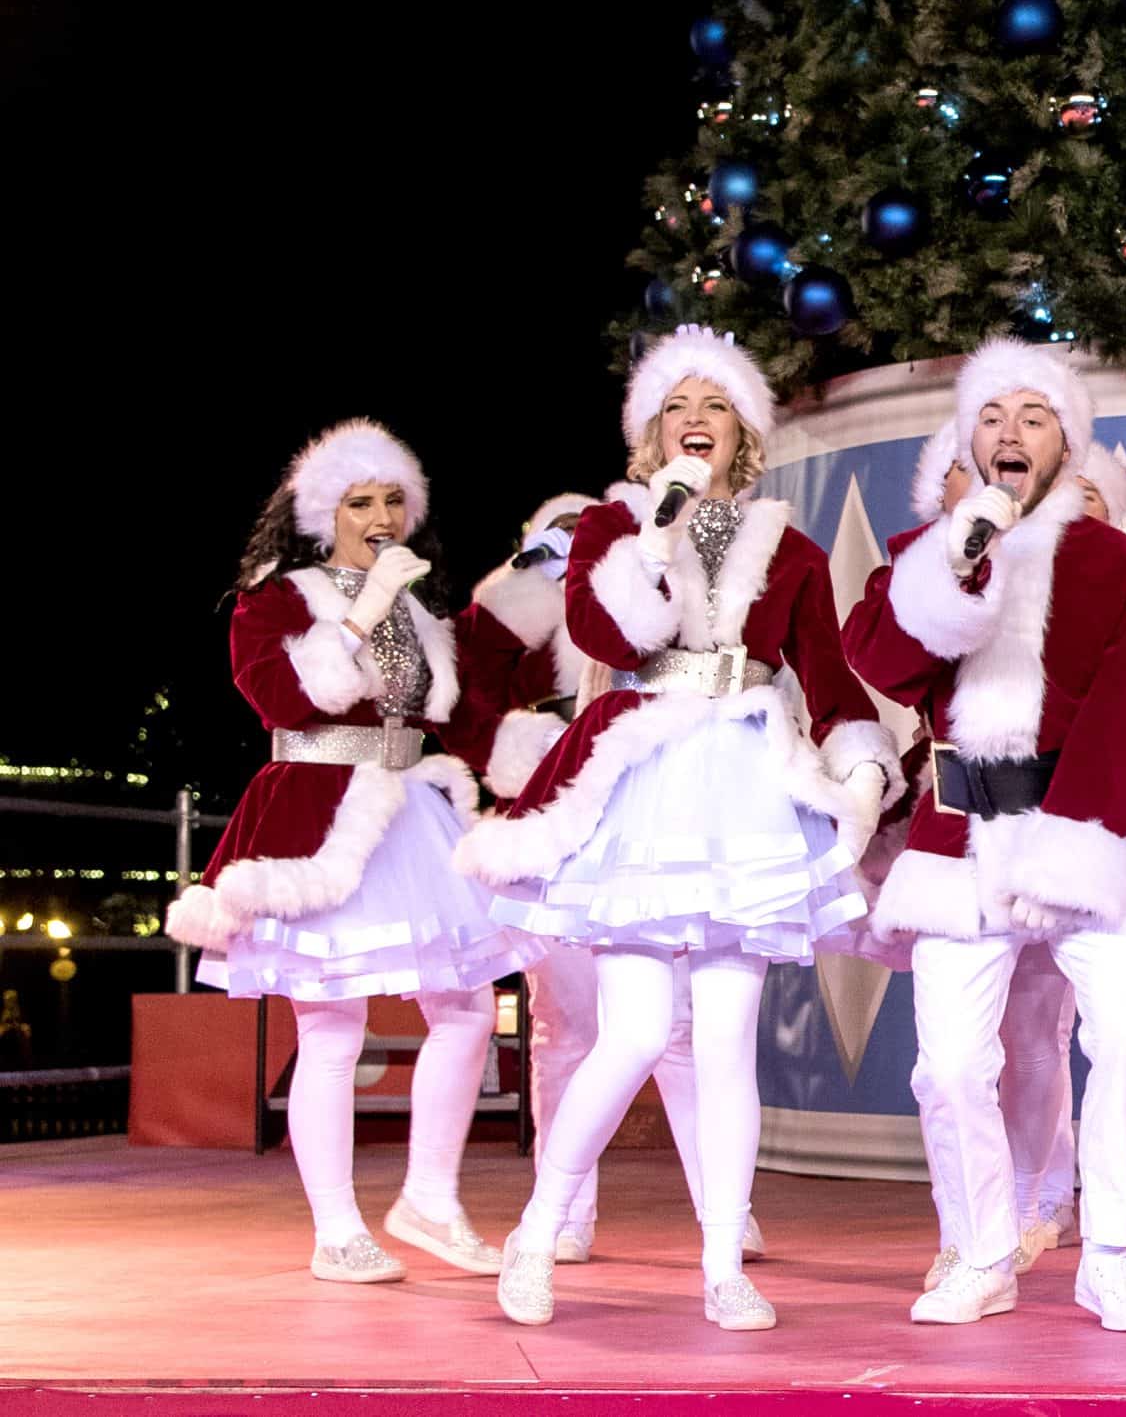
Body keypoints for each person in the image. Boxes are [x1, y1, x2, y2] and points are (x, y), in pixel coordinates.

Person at [456, 326, 899, 1331]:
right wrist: (651, 540)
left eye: (714, 405)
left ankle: (722, 1265)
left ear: (744, 429)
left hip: (747, 785)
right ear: (651, 431)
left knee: (729, 1041)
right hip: (646, 777)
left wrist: (864, 767)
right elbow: (603, 633)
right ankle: (537, 1230)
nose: (695, 421)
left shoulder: (792, 549)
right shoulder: (613, 526)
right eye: (676, 407)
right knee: (636, 1032)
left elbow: (829, 681)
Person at [847, 338, 1126, 1333]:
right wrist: (953, 561)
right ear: (967, 443)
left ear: (1065, 444)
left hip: (1080, 830)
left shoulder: (1116, 562)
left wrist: (1074, 846)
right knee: (950, 1066)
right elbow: (885, 662)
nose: (1011, 432)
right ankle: (983, 1252)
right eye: (991, 417)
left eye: (1034, 417)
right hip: (957, 838)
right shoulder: (927, 556)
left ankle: (1109, 1256)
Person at [168, 420, 538, 1285]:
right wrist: (362, 613)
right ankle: (336, 1231)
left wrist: (553, 754)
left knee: (468, 1010)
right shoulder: (277, 597)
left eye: (393, 501)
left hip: (411, 813)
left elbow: (462, 719)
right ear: (322, 514)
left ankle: (430, 1201)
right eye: (360, 502)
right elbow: (283, 700)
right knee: (332, 1028)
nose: (380, 517)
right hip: (318, 818)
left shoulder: (419, 609)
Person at [451, 493, 752, 1267]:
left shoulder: (647, 565)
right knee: (565, 1026)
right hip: (554, 795)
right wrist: (508, 743)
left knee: (678, 1025)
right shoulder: (517, 600)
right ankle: (566, 1213)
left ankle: (722, 1207)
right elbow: (460, 683)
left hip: (643, 783)